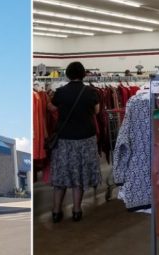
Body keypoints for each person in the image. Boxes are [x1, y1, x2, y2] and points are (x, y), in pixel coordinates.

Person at [46, 61, 101, 222]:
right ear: (83, 74)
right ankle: (77, 211)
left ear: (67, 75)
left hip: (65, 139)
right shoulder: (91, 91)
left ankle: (56, 212)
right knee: (80, 176)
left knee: (62, 176)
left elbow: (52, 109)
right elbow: (96, 111)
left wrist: (47, 100)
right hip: (86, 139)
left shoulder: (60, 92)